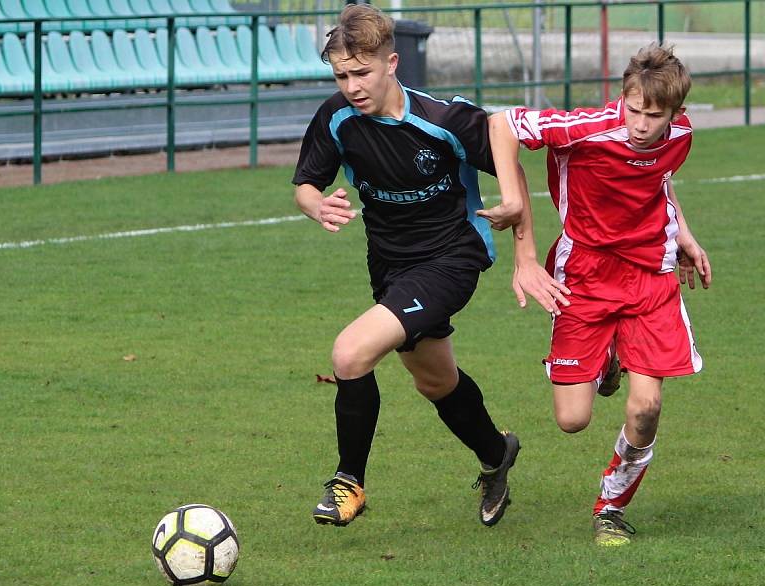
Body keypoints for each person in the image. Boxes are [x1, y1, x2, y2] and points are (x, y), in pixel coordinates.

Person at [291, 4, 519, 528]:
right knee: (435, 381)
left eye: (361, 72)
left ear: (392, 63)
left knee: (350, 354)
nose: (351, 86)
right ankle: (495, 453)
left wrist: (516, 220)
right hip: (391, 265)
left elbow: (507, 143)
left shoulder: (443, 120)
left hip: (453, 257)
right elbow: (306, 182)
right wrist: (315, 204)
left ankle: (348, 483)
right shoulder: (336, 118)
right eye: (341, 75)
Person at [481, 44, 712, 546]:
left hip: (651, 274)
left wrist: (684, 235)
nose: (641, 124)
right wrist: (515, 201)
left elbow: (659, 181)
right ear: (622, 96)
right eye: (634, 110)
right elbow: (501, 123)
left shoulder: (682, 135)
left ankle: (611, 505)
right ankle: (610, 356)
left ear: (676, 113)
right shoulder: (587, 127)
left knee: (645, 408)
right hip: (584, 274)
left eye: (655, 115)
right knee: (572, 419)